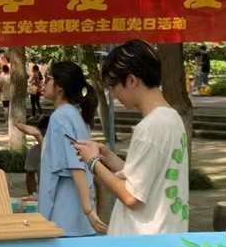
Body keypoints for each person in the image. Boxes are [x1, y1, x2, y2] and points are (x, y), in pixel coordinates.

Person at [75, 40, 189, 236]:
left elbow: (131, 196)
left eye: (113, 86)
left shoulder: (149, 128)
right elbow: (147, 177)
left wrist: (93, 162)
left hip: (142, 242)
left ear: (131, 81)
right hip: (165, 236)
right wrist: (110, 159)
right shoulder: (172, 118)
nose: (113, 94)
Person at [38, 62, 102, 236]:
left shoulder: (60, 117)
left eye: (48, 78)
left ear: (60, 87)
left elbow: (76, 166)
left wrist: (88, 210)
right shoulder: (76, 115)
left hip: (65, 219)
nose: (43, 82)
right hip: (78, 220)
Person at [15, 114, 49, 197]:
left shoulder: (67, 149)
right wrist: (33, 195)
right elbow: (30, 176)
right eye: (42, 132)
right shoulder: (35, 151)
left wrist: (38, 135)